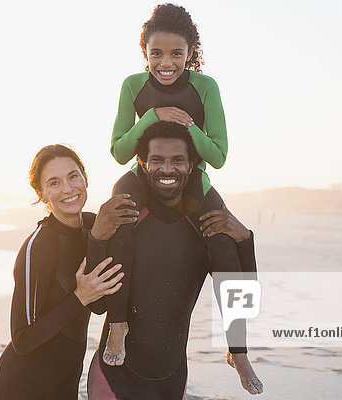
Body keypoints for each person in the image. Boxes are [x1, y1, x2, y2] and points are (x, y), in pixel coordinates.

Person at [101, 2, 245, 369]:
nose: (166, 63)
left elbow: (219, 156)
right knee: (120, 221)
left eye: (176, 53)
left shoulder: (206, 87)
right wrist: (152, 116)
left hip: (192, 179)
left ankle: (239, 350)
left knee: (227, 248)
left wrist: (189, 127)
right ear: (144, 53)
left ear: (190, 53)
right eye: (157, 53)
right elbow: (119, 151)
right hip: (142, 176)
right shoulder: (132, 86)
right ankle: (118, 325)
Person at [87, 122, 263, 399]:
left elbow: (243, 294)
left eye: (177, 160)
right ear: (143, 164)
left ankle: (238, 354)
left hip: (172, 380)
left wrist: (244, 239)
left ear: (192, 165)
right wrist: (97, 238)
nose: (167, 169)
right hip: (113, 378)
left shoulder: (206, 228)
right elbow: (97, 304)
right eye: (157, 160)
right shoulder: (128, 219)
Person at [0, 144, 139, 400]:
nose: (69, 189)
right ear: (41, 193)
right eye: (54, 183)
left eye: (73, 176)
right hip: (23, 385)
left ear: (85, 178)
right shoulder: (37, 247)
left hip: (67, 379)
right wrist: (79, 297)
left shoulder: (96, 226)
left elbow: (101, 304)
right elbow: (22, 339)